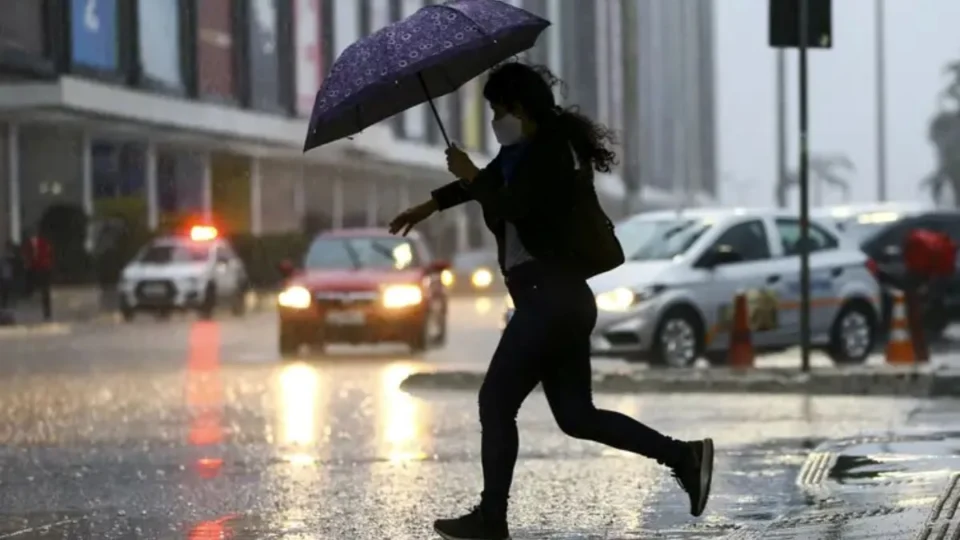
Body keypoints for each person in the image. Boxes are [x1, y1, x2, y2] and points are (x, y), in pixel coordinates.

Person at [389, 62, 714, 540]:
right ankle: (683, 456)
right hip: (558, 299)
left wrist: (474, 177)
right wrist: (432, 203)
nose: (496, 118)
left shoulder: (551, 155)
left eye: (499, 109)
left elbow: (511, 204)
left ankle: (491, 518)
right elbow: (487, 184)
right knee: (577, 416)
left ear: (520, 106)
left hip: (550, 298)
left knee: (496, 402)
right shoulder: (524, 152)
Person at [22, 228, 54, 321]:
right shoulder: (43, 242)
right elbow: (49, 252)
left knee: (42, 289)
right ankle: (46, 312)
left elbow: (28, 256)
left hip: (39, 267)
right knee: (45, 290)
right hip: (42, 267)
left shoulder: (32, 243)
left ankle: (46, 312)